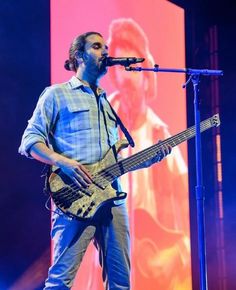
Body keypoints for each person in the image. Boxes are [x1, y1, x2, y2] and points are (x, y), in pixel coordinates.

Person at [19, 31, 171, 290]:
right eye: (97, 47)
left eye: (106, 47)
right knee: (59, 283)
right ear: (79, 56)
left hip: (113, 199)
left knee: (121, 284)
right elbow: (29, 141)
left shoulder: (108, 103)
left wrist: (147, 160)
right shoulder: (57, 94)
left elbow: (113, 160)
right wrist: (62, 161)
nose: (105, 52)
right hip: (74, 199)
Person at [107, 18, 191, 290]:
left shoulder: (161, 136)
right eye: (119, 67)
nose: (124, 76)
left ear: (146, 77)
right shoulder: (102, 119)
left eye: (131, 68)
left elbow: (187, 228)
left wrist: (174, 255)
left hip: (155, 276)